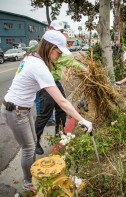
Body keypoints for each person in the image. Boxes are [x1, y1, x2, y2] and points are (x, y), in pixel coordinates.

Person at [1, 30, 92, 191]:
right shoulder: (39, 66)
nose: (59, 56)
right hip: (15, 111)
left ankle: (30, 178)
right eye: (58, 52)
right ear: (49, 47)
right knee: (29, 148)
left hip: (21, 109)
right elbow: (62, 102)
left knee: (29, 145)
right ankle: (28, 183)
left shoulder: (32, 57)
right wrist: (82, 120)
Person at [35, 20, 86, 155]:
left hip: (55, 82)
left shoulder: (57, 46)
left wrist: (85, 69)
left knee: (61, 111)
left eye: (61, 30)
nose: (59, 33)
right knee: (44, 115)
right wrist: (84, 69)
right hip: (45, 84)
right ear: (50, 29)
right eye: (57, 30)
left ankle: (60, 133)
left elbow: (67, 60)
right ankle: (35, 141)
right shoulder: (46, 48)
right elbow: (67, 60)